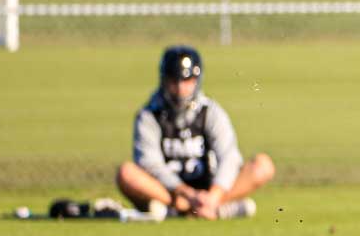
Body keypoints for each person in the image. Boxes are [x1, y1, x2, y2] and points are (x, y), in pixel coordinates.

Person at [116, 46, 275, 220]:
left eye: (186, 81)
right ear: (164, 81)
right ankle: (210, 210)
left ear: (196, 80)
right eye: (174, 81)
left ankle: (203, 208)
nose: (180, 88)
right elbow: (150, 164)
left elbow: (229, 157)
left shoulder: (210, 112)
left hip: (210, 190)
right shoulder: (149, 115)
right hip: (169, 191)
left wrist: (213, 196)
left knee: (263, 165)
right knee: (126, 173)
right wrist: (187, 194)